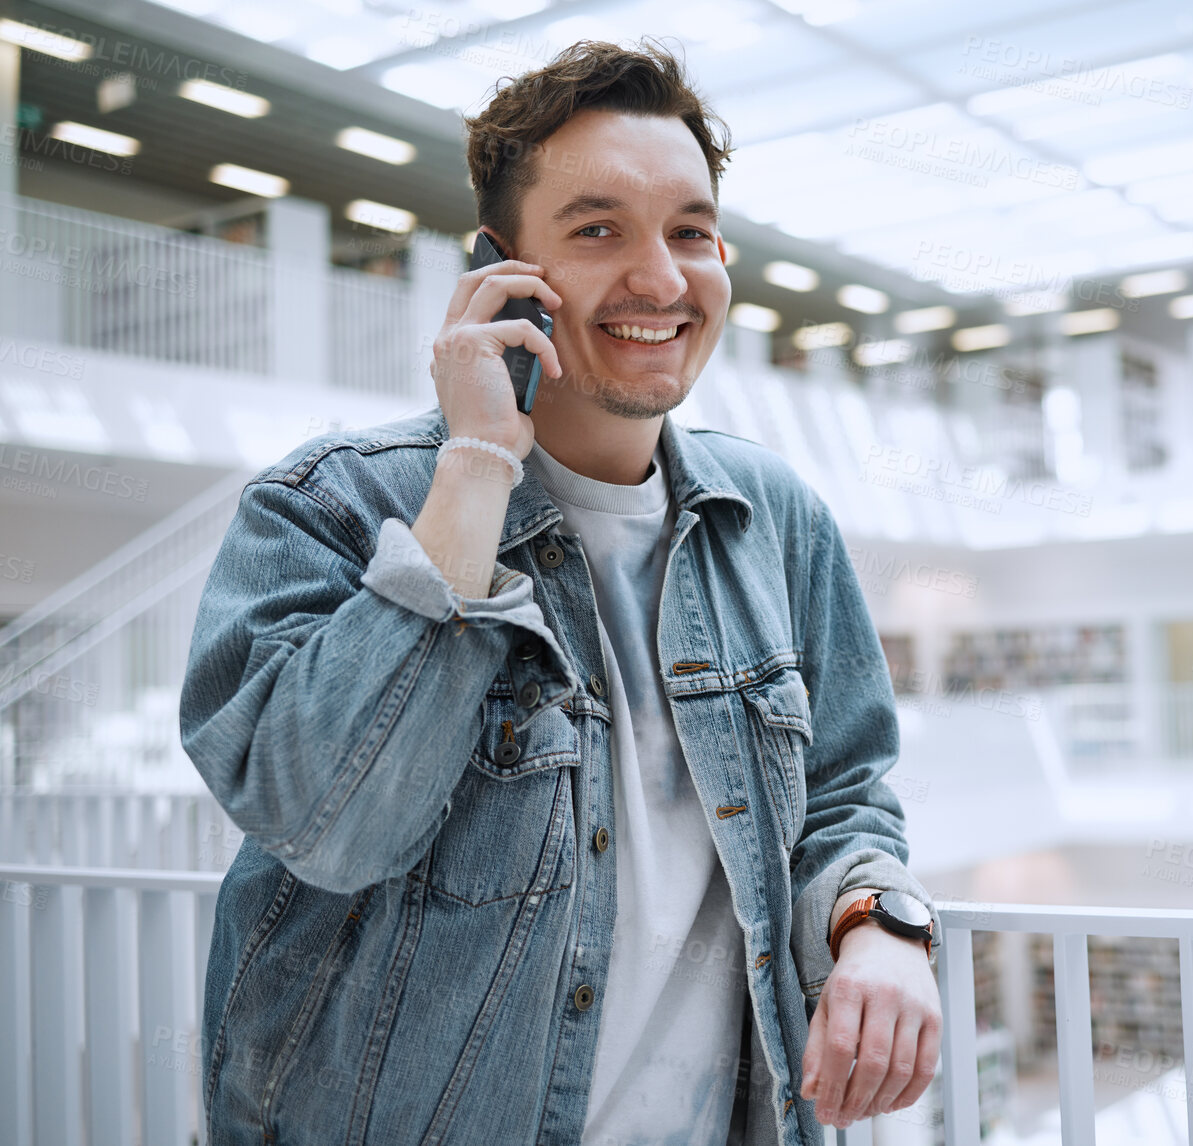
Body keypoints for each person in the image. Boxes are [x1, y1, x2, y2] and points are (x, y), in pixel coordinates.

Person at [180, 40, 940, 1144]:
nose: (662, 280)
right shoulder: (328, 505)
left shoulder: (774, 519)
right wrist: (477, 468)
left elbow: (844, 790)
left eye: (688, 231)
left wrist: (879, 924)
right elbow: (325, 826)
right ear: (499, 269)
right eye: (598, 231)